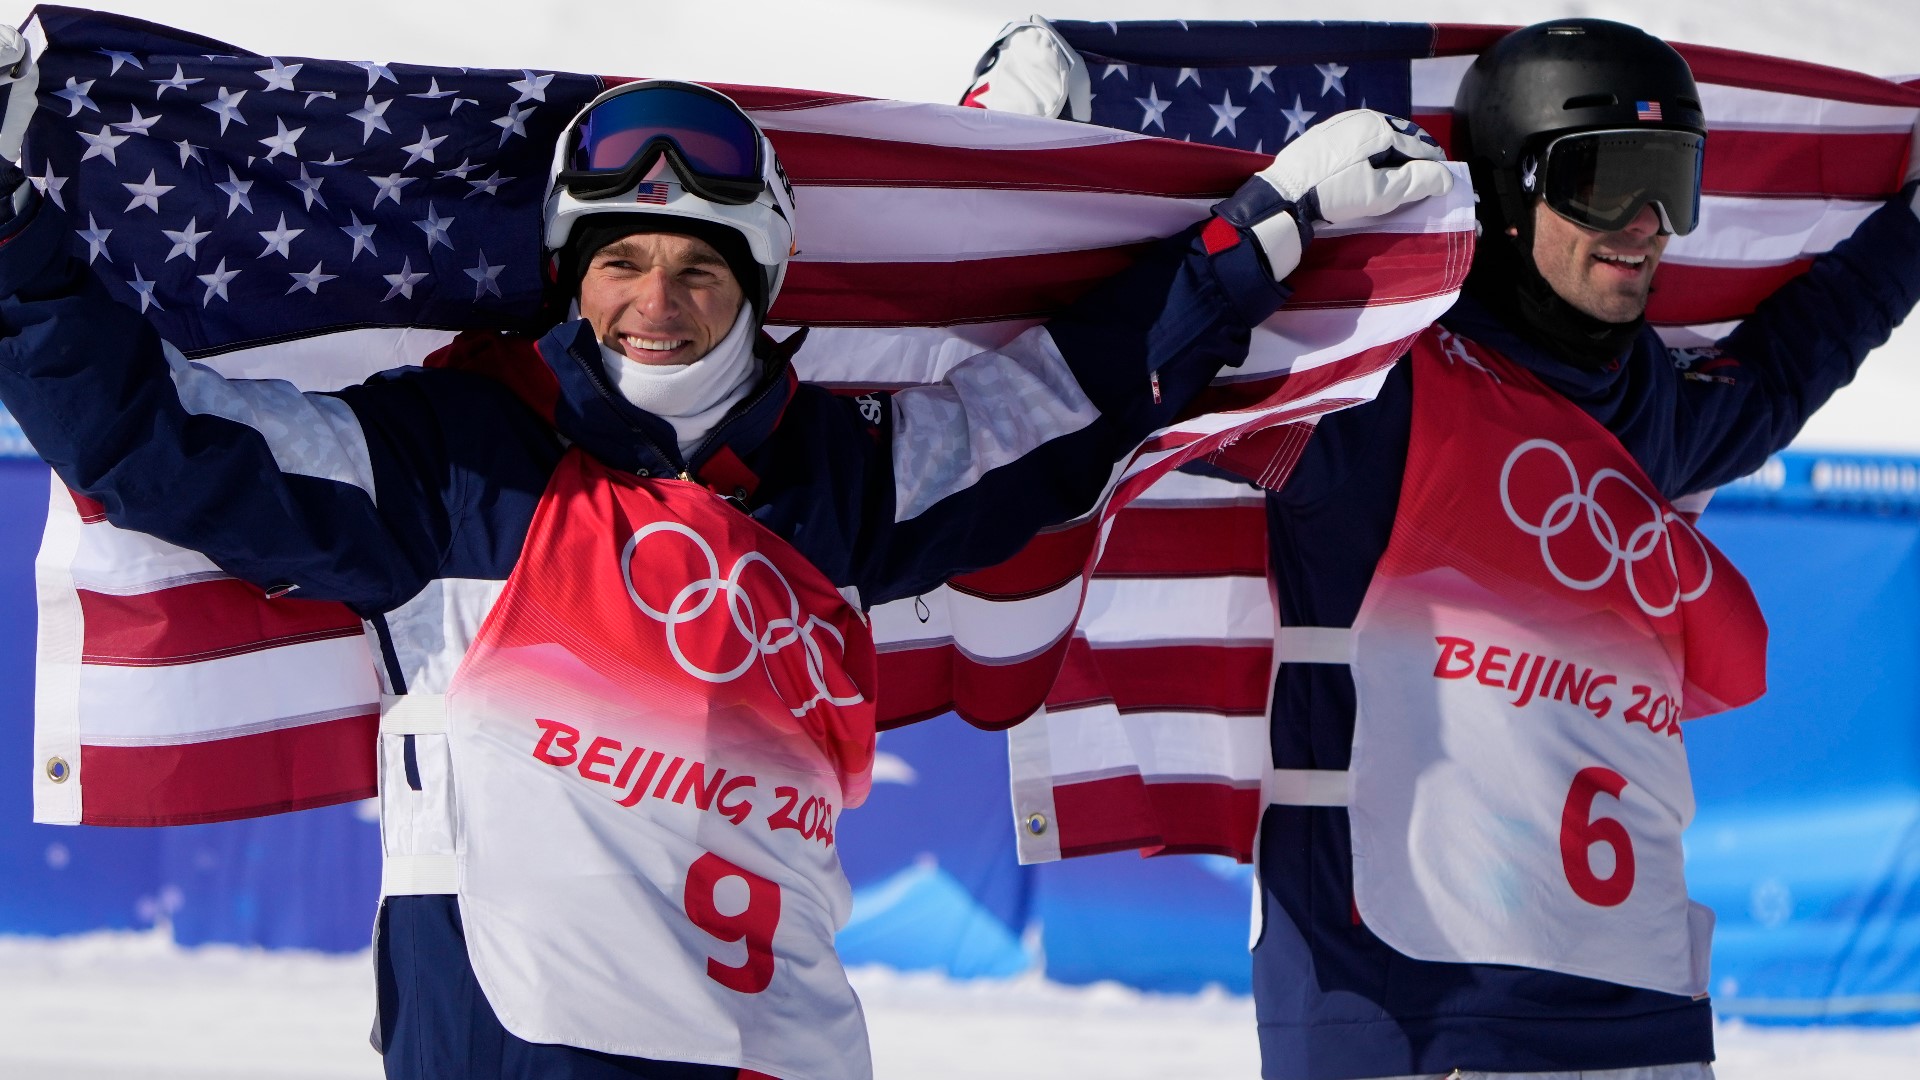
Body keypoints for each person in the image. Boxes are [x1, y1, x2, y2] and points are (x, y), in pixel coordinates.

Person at [0, 27, 1457, 1080]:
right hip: (513, 1049)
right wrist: (11, 232)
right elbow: (156, 440)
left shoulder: (847, 482)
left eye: (700, 267)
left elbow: (1063, 402)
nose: (656, 301)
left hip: (780, 1051)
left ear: (757, 285)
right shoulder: (450, 467)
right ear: (573, 276)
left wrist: (1263, 233)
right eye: (621, 261)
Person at [969, 17, 1920, 1080]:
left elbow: (1804, 351)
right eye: (1605, 179)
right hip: (1413, 1016)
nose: (1648, 225)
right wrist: (1216, 208)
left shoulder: (1652, 421)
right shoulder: (1373, 393)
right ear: (1511, 195)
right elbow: (1129, 385)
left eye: (1673, 183)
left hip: (1642, 1008)